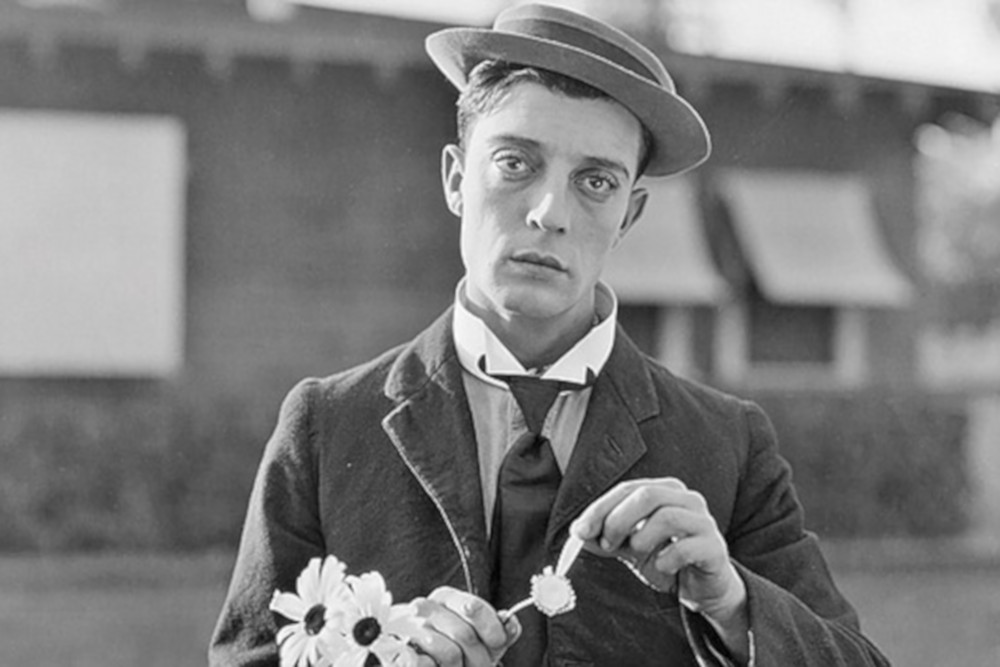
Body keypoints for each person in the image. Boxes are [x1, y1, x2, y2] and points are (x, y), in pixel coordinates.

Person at [210, 4, 890, 666]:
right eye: (515, 163)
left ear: (629, 217)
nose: (548, 212)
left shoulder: (728, 445)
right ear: (456, 179)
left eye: (595, 181)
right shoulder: (327, 428)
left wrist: (734, 606)